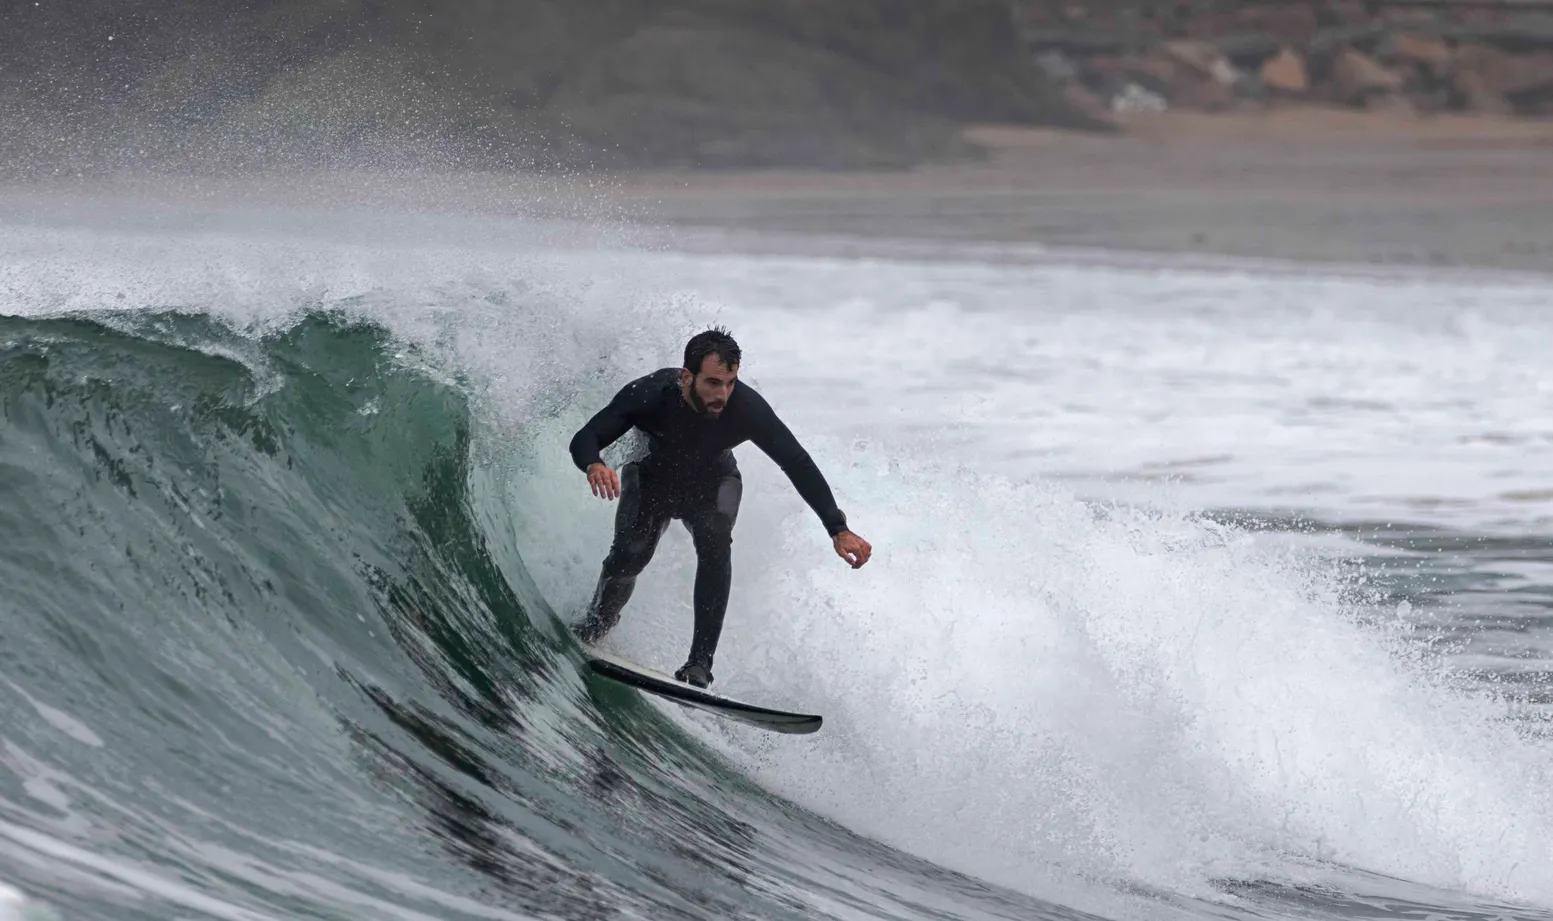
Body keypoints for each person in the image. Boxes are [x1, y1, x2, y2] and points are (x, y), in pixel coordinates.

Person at [568, 327, 872, 688]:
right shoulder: (650, 393)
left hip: (713, 486)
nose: (722, 394)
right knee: (629, 555)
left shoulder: (747, 408)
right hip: (650, 478)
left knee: (714, 536)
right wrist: (594, 463)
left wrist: (837, 528)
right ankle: (596, 625)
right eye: (713, 382)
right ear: (687, 376)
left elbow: (796, 461)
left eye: (729, 382)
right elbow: (588, 436)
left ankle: (699, 665)